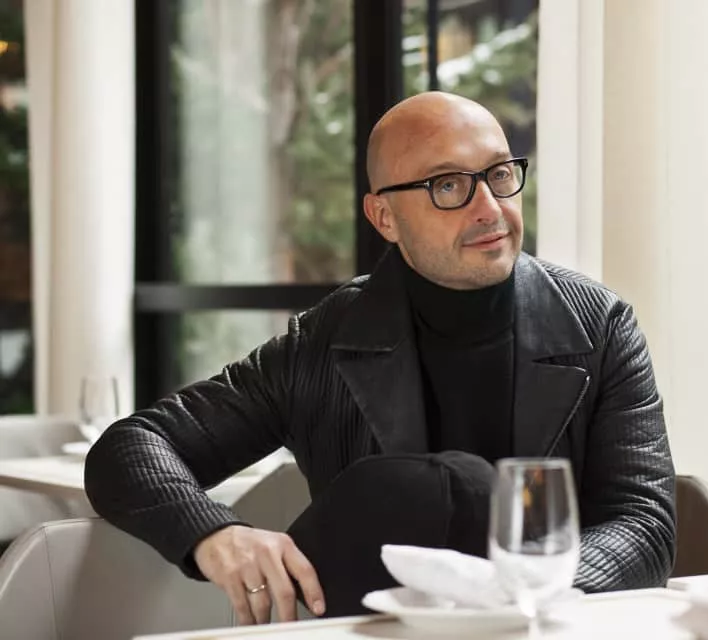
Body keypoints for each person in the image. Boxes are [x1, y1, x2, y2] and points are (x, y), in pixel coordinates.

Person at [84, 91, 676, 624]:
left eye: (499, 174)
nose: (490, 208)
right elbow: (130, 447)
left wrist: (511, 590)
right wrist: (215, 533)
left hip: (547, 629)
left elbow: (644, 527)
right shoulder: (323, 340)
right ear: (384, 217)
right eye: (448, 186)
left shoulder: (599, 324)